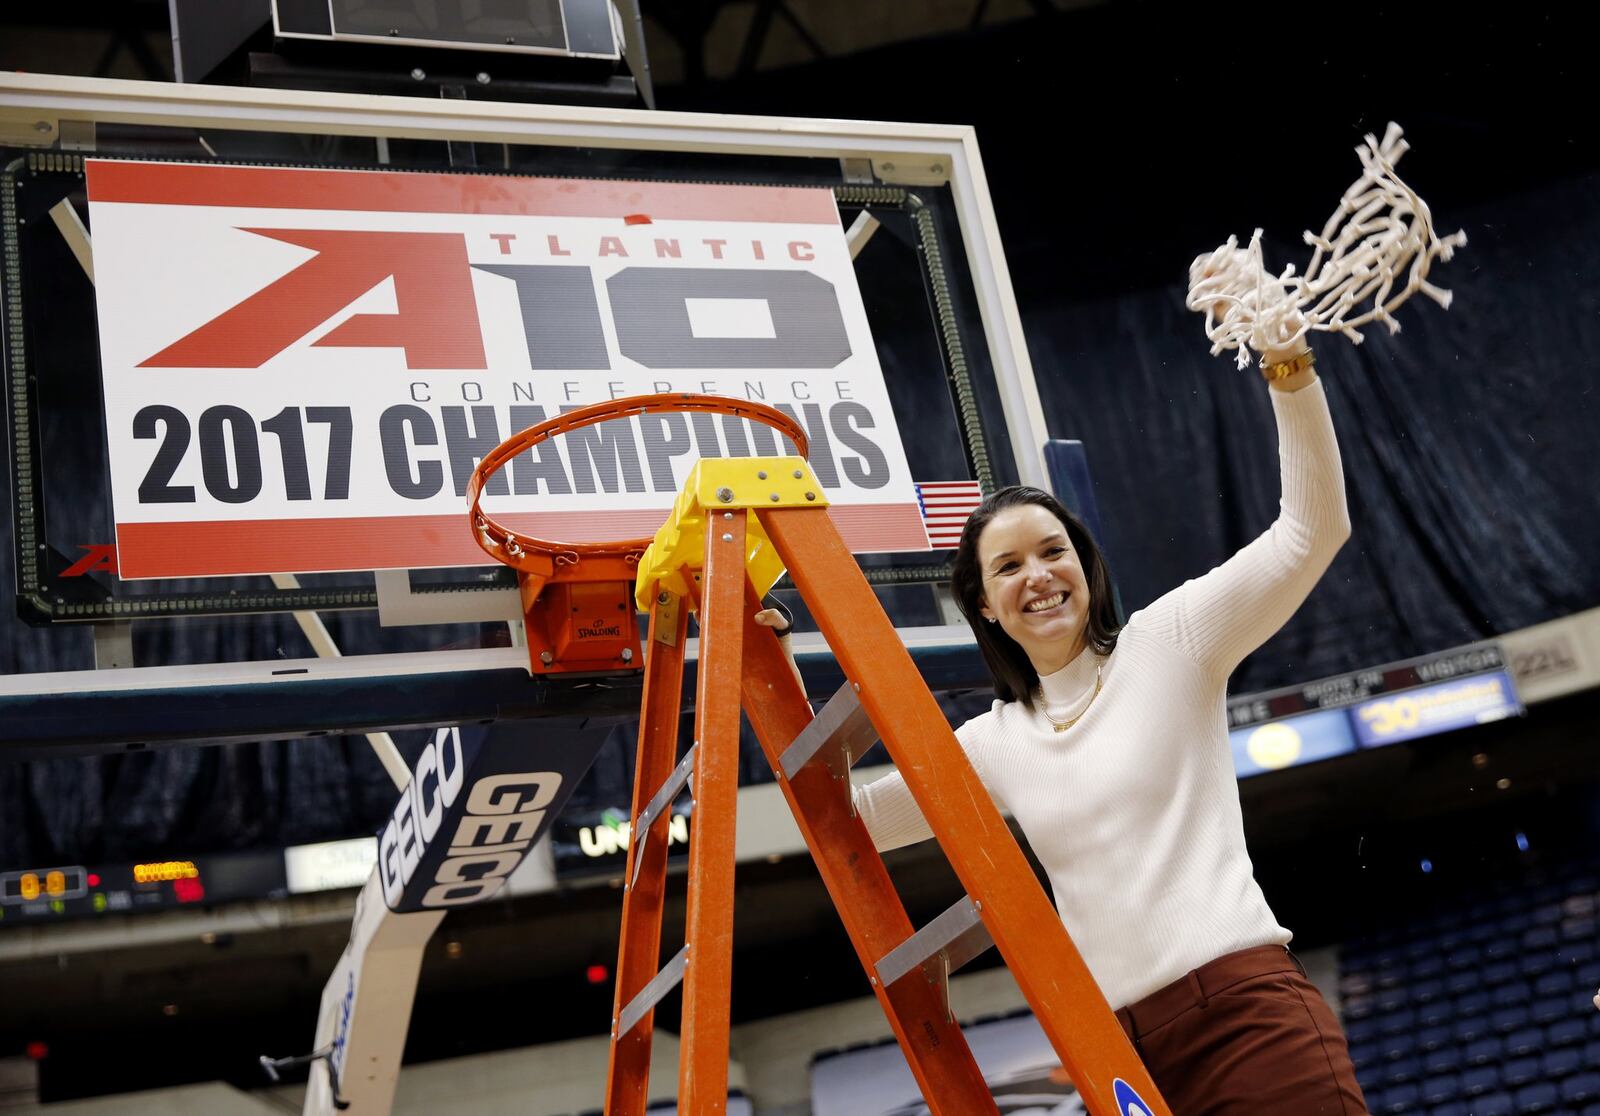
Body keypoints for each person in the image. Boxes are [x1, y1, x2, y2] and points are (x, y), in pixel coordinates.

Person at [849, 344, 1368, 1114]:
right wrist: (762, 674)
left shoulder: (1171, 642)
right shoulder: (993, 743)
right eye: (1009, 566)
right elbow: (852, 823)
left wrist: (1291, 374)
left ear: (1087, 568)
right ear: (985, 605)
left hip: (1247, 1020)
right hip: (1121, 1066)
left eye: (1053, 551)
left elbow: (1311, 531)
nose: (1038, 574)